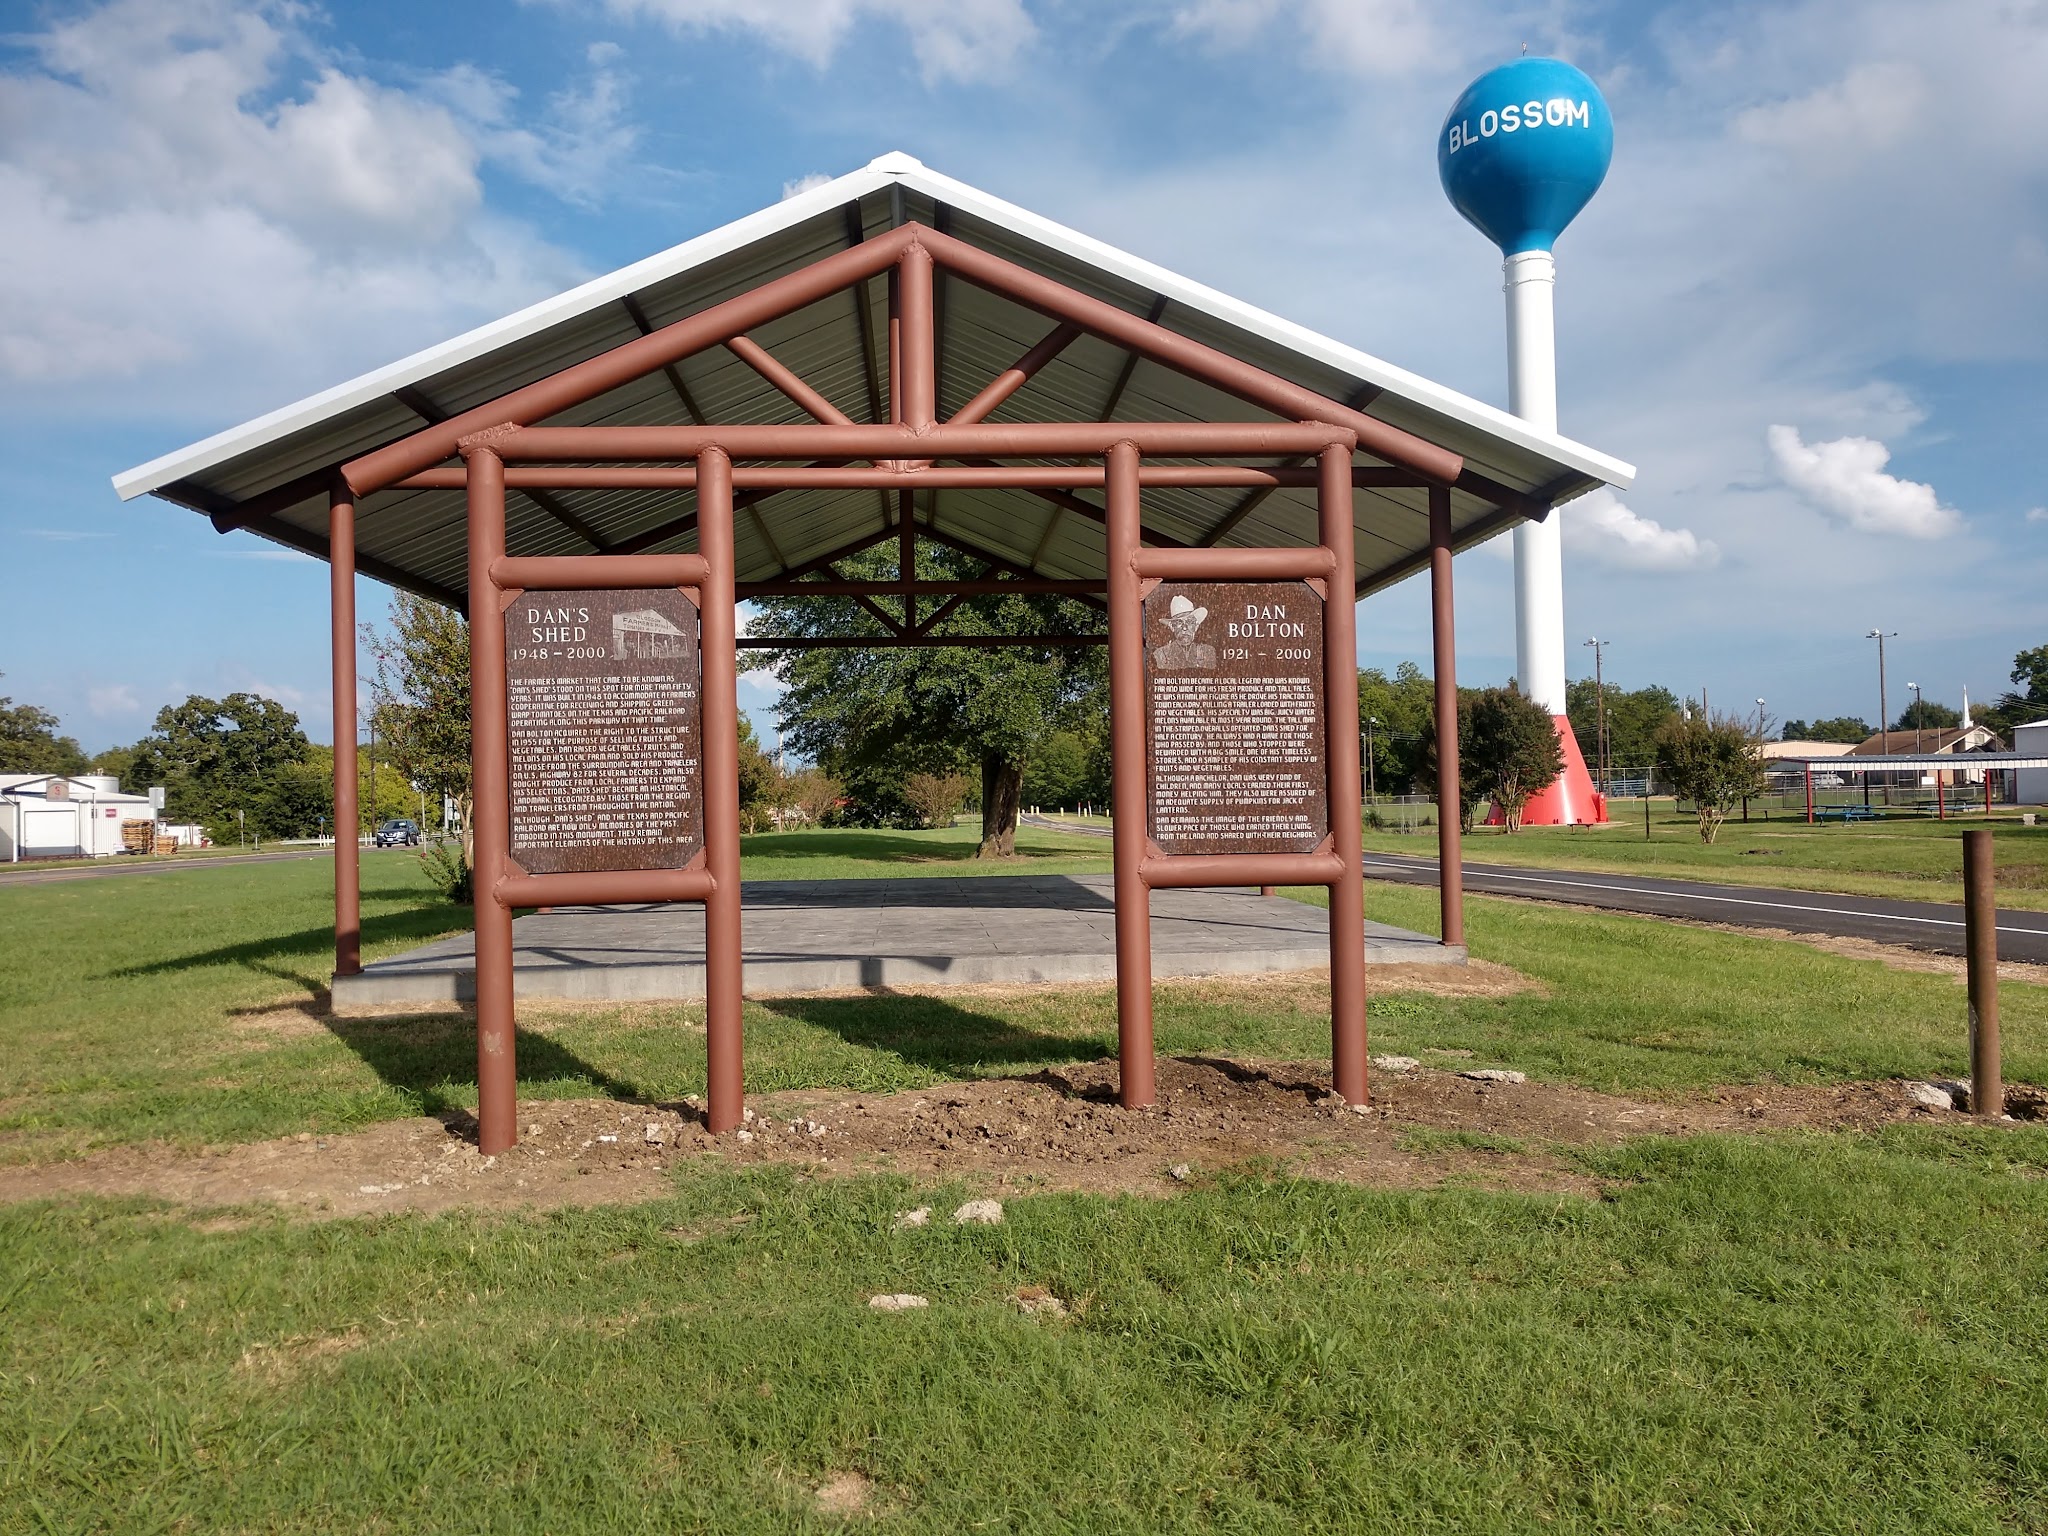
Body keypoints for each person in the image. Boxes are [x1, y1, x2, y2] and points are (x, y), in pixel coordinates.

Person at [1150, 593, 1215, 671]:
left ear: (1196, 626)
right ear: (1172, 628)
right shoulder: (1161, 654)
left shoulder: (1207, 652)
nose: (1184, 628)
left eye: (1189, 622)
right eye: (1179, 623)